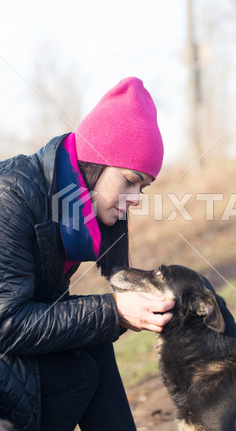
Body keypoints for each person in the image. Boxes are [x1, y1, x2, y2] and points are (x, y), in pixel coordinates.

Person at [0, 77, 175, 431]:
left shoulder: (71, 212)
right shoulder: (14, 196)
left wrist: (119, 312)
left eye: (143, 186)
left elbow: (46, 310)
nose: (137, 197)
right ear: (93, 164)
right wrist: (112, 311)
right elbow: (6, 323)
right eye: (129, 179)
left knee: (92, 347)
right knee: (79, 371)